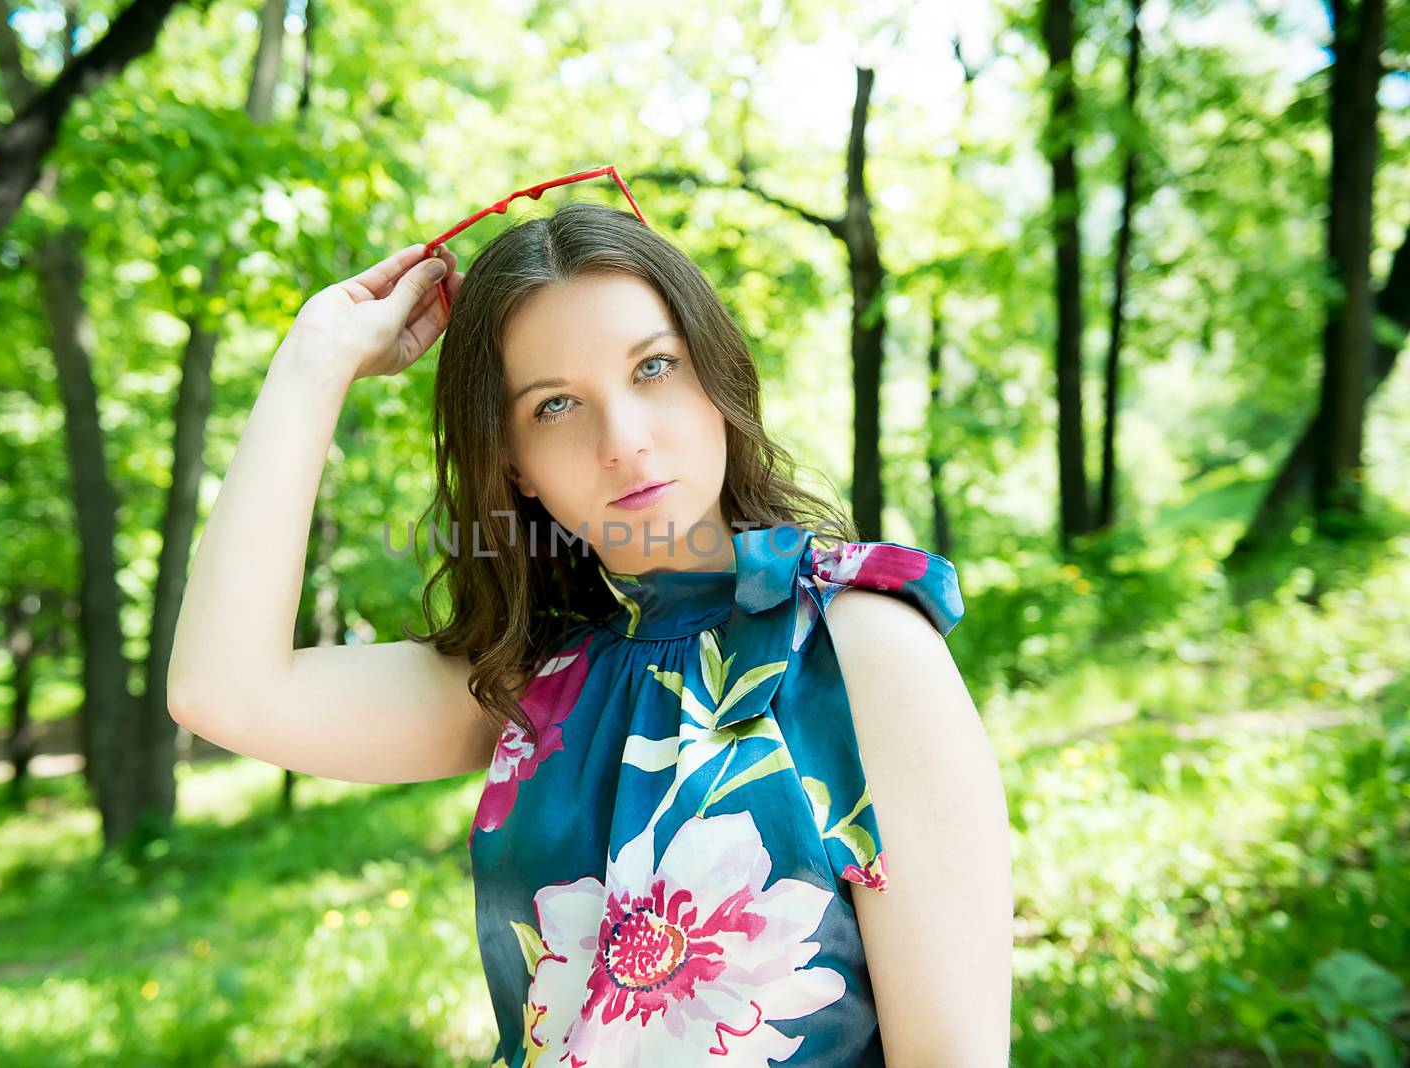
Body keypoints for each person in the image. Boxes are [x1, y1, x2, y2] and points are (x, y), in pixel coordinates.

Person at [167, 202, 1013, 1065]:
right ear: (516, 470)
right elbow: (221, 691)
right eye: (557, 405)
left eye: (654, 367)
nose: (624, 439)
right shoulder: (541, 686)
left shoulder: (858, 642)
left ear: (718, 378)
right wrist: (317, 360)